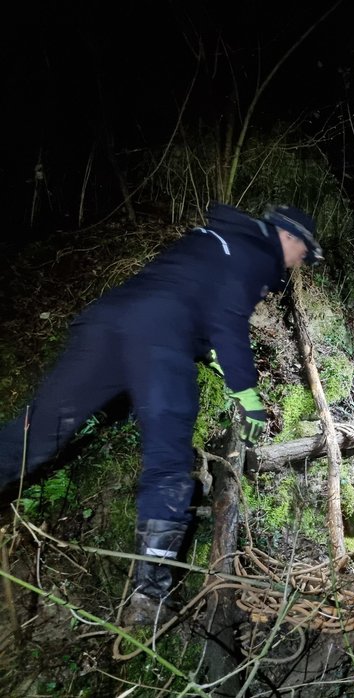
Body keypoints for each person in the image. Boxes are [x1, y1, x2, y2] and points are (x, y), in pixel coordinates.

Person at [0, 202, 323, 623]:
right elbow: (226, 322)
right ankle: (147, 598)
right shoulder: (257, 253)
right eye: (304, 252)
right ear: (289, 237)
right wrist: (247, 393)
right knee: (168, 466)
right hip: (159, 344)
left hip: (105, 325)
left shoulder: (216, 239)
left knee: (39, 431)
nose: (301, 261)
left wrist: (207, 353)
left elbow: (188, 297)